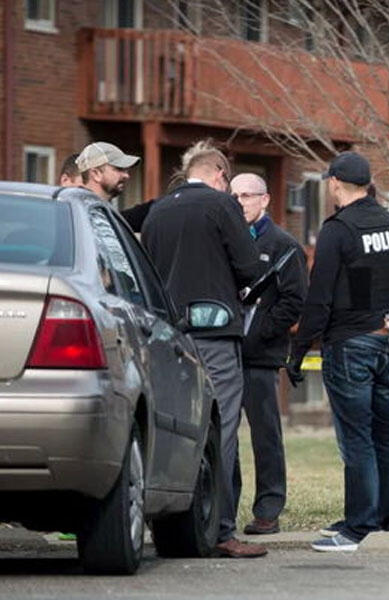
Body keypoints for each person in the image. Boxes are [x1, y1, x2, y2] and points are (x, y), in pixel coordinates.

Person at [141, 140, 268, 559]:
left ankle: (169, 527)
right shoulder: (221, 205)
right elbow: (249, 266)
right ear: (219, 174)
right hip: (214, 334)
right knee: (221, 428)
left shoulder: (158, 211)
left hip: (167, 337)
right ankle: (221, 530)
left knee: (175, 429)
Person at [287, 151, 389, 552]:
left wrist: (299, 349)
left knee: (357, 437)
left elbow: (320, 297)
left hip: (351, 344)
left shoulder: (338, 230)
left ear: (335, 183)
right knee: (387, 433)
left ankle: (358, 527)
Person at [230, 173, 308, 536]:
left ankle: (268, 510)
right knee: (222, 436)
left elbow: (294, 301)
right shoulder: (224, 239)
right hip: (224, 352)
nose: (241, 202)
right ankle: (223, 509)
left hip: (260, 357)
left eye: (248, 195)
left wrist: (260, 333)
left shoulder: (283, 244)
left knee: (266, 437)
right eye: (235, 196)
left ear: (265, 200)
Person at [74, 141, 154, 232]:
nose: (126, 175)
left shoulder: (100, 212)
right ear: (96, 174)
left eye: (126, 170)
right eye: (119, 169)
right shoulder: (81, 214)